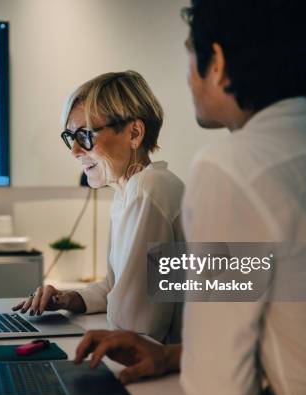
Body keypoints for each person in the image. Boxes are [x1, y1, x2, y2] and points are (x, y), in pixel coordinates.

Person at [74, 0, 306, 395]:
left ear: (218, 62)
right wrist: (172, 356)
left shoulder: (229, 166)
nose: (188, 76)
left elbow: (220, 389)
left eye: (190, 53)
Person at [12, 71, 185, 343]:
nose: (75, 151)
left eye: (86, 134)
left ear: (134, 133)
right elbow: (115, 286)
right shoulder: (129, 192)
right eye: (71, 137)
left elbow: (135, 322)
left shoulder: (147, 190)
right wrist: (69, 298)